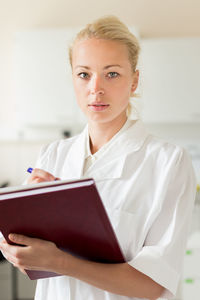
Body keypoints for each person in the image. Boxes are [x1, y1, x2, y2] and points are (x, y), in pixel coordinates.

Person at [0, 15, 196, 300]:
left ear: (134, 81)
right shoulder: (53, 154)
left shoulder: (168, 162)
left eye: (112, 73)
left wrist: (59, 261)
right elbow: (32, 257)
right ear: (73, 78)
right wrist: (16, 242)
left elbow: (153, 285)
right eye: (84, 74)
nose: (95, 88)